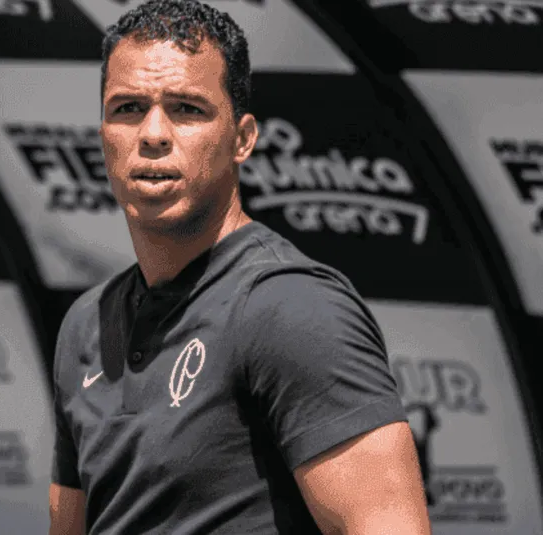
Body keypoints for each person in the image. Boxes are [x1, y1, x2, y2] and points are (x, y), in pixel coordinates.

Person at [49, 1, 432, 533]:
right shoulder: (86, 323)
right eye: (128, 108)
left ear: (243, 139)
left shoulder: (293, 306)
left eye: (187, 109)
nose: (153, 133)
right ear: (103, 136)